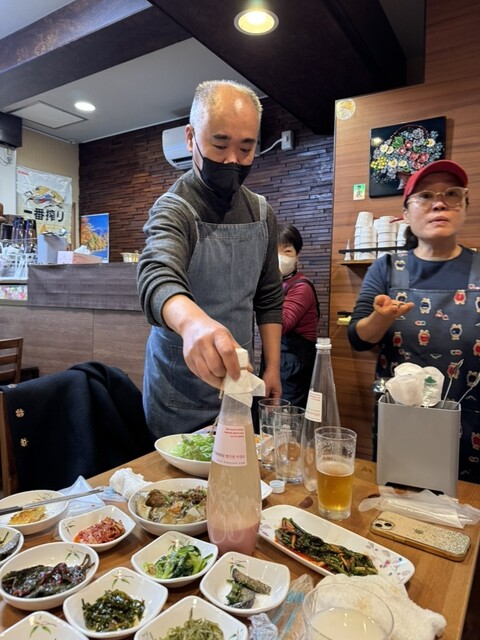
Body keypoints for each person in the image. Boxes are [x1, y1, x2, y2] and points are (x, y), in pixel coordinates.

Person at [138, 80, 284, 437]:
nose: (232, 160)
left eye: (246, 148)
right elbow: (157, 275)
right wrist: (193, 325)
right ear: (191, 138)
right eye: (219, 145)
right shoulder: (174, 208)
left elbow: (268, 297)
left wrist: (273, 367)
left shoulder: (261, 212)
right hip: (177, 391)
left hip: (240, 385)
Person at [348, 159, 480, 483]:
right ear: (406, 214)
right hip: (402, 422)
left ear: (465, 205)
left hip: (472, 423)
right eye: (425, 196)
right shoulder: (388, 268)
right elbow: (358, 338)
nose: (439, 203)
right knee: (397, 500)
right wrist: (381, 318)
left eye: (451, 194)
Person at [277, 223, 319, 406]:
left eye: (287, 251)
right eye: (274, 252)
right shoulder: (281, 283)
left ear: (297, 255)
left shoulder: (301, 287)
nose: (280, 257)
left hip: (295, 366)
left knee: (289, 416)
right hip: (281, 363)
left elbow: (282, 324)